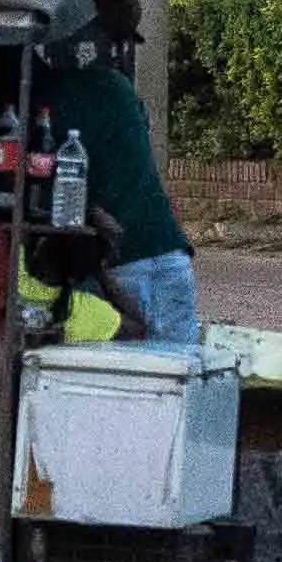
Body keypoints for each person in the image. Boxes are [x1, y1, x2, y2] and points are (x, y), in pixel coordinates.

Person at [34, 32, 194, 347]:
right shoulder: (114, 84)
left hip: (122, 265)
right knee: (177, 376)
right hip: (171, 250)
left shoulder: (44, 118)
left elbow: (74, 220)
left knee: (130, 381)